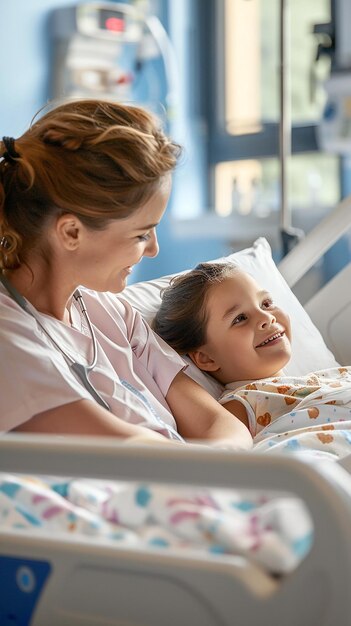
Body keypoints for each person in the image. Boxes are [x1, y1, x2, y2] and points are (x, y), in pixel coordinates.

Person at [0, 99, 252, 450]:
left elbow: (220, 424)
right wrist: (224, 463)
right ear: (71, 232)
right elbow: (138, 457)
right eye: (141, 234)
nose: (153, 250)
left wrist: (224, 459)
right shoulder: (10, 341)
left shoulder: (113, 315)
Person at [153, 262, 351, 439]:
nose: (266, 317)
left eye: (266, 303)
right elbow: (219, 456)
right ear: (206, 358)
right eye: (240, 318)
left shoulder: (332, 378)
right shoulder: (243, 406)